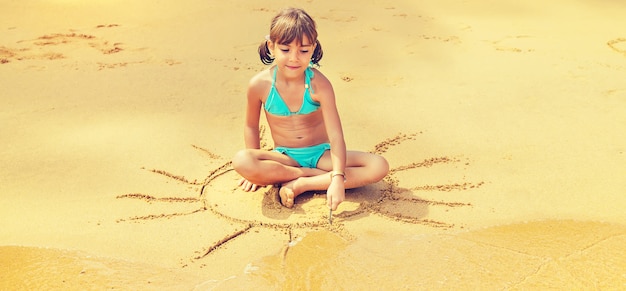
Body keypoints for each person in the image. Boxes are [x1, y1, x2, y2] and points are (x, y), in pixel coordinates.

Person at [232, 7, 389, 211]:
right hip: (285, 158)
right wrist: (253, 174)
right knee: (242, 160)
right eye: (285, 50)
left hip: (321, 155)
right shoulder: (259, 85)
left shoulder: (320, 85)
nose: (294, 58)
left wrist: (339, 177)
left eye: (303, 51)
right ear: (271, 46)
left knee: (379, 165)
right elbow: (251, 127)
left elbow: (335, 136)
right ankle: (309, 175)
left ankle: (304, 184)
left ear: (313, 48)